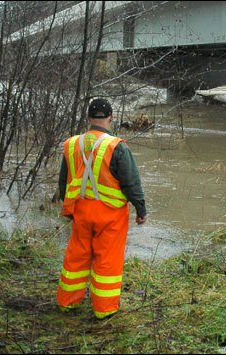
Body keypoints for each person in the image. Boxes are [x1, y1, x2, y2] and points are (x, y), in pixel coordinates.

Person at [56, 98, 147, 319]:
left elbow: (63, 183)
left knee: (76, 256)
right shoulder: (117, 146)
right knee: (107, 261)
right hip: (110, 216)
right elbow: (131, 182)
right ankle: (104, 310)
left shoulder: (72, 144)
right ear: (111, 117)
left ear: (88, 118)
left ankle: (68, 302)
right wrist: (140, 209)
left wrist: (68, 206)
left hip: (81, 211)